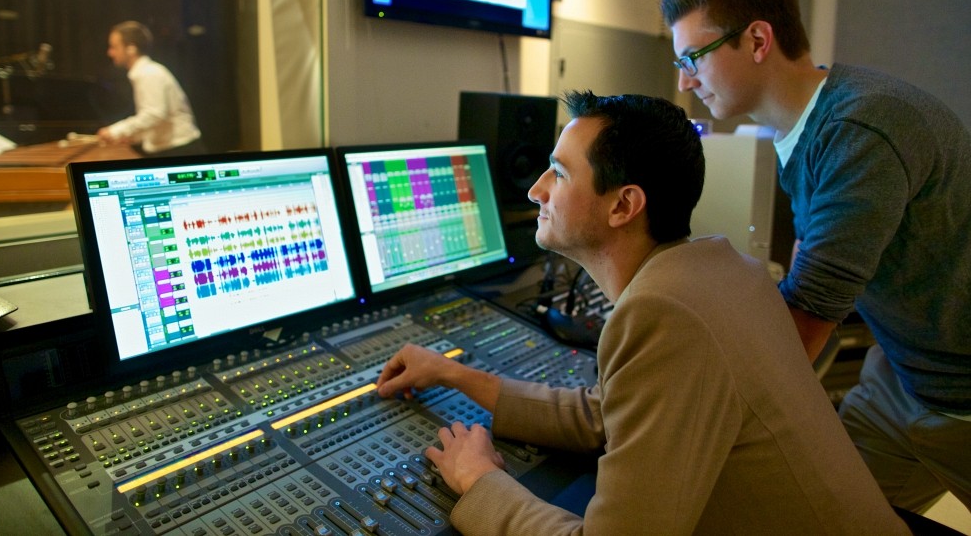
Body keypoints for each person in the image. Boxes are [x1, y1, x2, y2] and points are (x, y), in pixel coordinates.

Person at [376, 91, 905, 534]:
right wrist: (456, 375)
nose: (536, 190)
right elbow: (602, 414)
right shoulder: (725, 271)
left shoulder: (663, 312)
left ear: (624, 205)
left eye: (558, 174)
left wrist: (479, 480)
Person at [660, 0, 971, 514]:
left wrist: (671, 408)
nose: (684, 79)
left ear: (757, 39)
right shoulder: (804, 127)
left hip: (963, 396)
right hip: (899, 376)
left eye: (692, 58)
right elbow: (810, 258)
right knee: (822, 515)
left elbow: (803, 323)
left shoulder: (860, 130)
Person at [97, 21, 205, 156]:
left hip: (179, 150)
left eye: (114, 47)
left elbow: (154, 114)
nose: (110, 53)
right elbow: (156, 119)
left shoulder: (149, 73)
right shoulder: (145, 72)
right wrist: (134, 136)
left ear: (131, 49)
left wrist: (115, 131)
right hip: (171, 148)